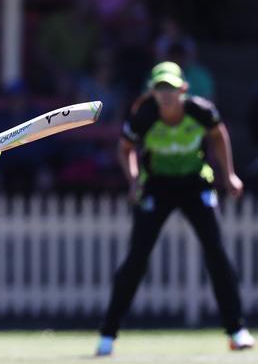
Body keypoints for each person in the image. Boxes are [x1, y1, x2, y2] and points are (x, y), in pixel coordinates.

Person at [95, 61, 255, 356]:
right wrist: (134, 182)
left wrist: (228, 173)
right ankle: (107, 335)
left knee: (216, 253)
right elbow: (125, 148)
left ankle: (236, 330)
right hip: (156, 186)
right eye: (160, 89)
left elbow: (219, 135)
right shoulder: (144, 116)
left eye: (171, 88)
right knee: (136, 258)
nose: (166, 95)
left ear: (183, 89)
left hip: (195, 184)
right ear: (152, 93)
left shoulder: (201, 111)